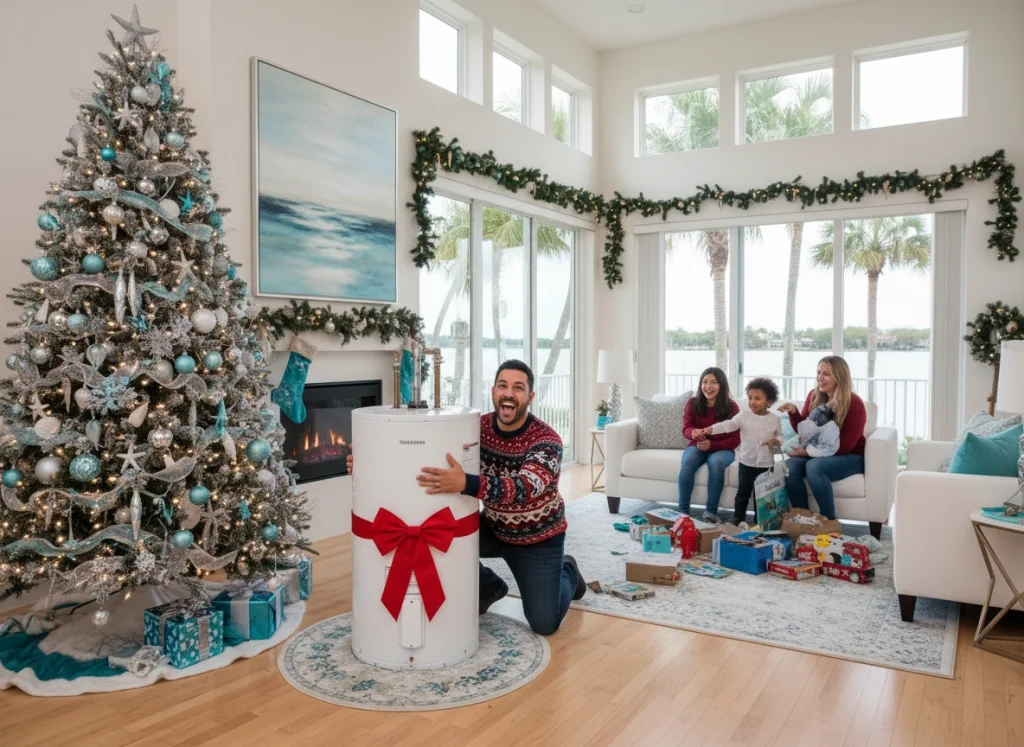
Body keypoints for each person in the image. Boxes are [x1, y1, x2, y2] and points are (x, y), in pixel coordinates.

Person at [347, 360, 585, 636]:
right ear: (494, 391)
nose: (509, 393)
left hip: (538, 539)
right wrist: (368, 460)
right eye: (503, 386)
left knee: (544, 623)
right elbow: (426, 450)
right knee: (434, 540)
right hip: (494, 529)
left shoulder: (546, 440)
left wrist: (466, 483)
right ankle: (490, 586)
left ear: (530, 397)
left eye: (518, 388)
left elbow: (523, 487)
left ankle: (567, 570)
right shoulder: (477, 427)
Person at [777, 356, 866, 523]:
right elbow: (804, 432)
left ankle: (829, 521)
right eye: (819, 373)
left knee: (814, 466)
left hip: (851, 456)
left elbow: (846, 446)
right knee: (789, 467)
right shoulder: (814, 396)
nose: (820, 378)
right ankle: (803, 518)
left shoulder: (854, 403)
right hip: (817, 452)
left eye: (827, 374)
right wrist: (793, 412)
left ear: (839, 376)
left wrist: (807, 452)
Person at [692, 377, 782, 525]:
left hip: (767, 464)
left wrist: (777, 441)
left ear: (769, 402)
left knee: (763, 495)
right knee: (742, 494)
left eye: (757, 399)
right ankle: (738, 518)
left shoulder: (775, 419)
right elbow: (728, 425)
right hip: (746, 462)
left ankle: (760, 522)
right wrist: (711, 429)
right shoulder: (744, 416)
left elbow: (780, 435)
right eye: (750, 398)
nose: (752, 402)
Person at [678, 367, 739, 524]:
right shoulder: (692, 403)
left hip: (722, 449)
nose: (708, 386)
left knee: (716, 462)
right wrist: (694, 433)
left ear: (722, 385)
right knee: (689, 461)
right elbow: (686, 428)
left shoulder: (732, 407)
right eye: (705, 382)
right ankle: (683, 512)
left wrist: (711, 444)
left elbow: (735, 439)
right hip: (696, 445)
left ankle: (710, 512)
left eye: (714, 382)